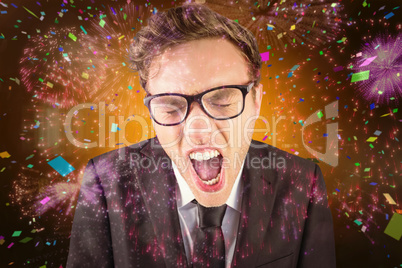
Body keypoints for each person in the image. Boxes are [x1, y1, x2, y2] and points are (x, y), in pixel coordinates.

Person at [66, 3, 336, 268]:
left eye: (221, 99)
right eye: (171, 105)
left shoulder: (303, 182)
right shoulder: (105, 182)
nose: (198, 130)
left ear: (256, 100)